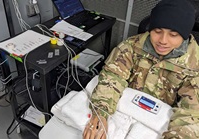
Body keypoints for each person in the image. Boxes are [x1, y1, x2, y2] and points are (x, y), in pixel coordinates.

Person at [83, 0, 199, 139]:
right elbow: (112, 77)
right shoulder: (131, 46)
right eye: (157, 31)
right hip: (126, 112)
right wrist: (101, 112)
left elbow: (191, 114)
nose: (163, 40)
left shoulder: (195, 65)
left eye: (173, 35)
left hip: (160, 124)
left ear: (185, 36)